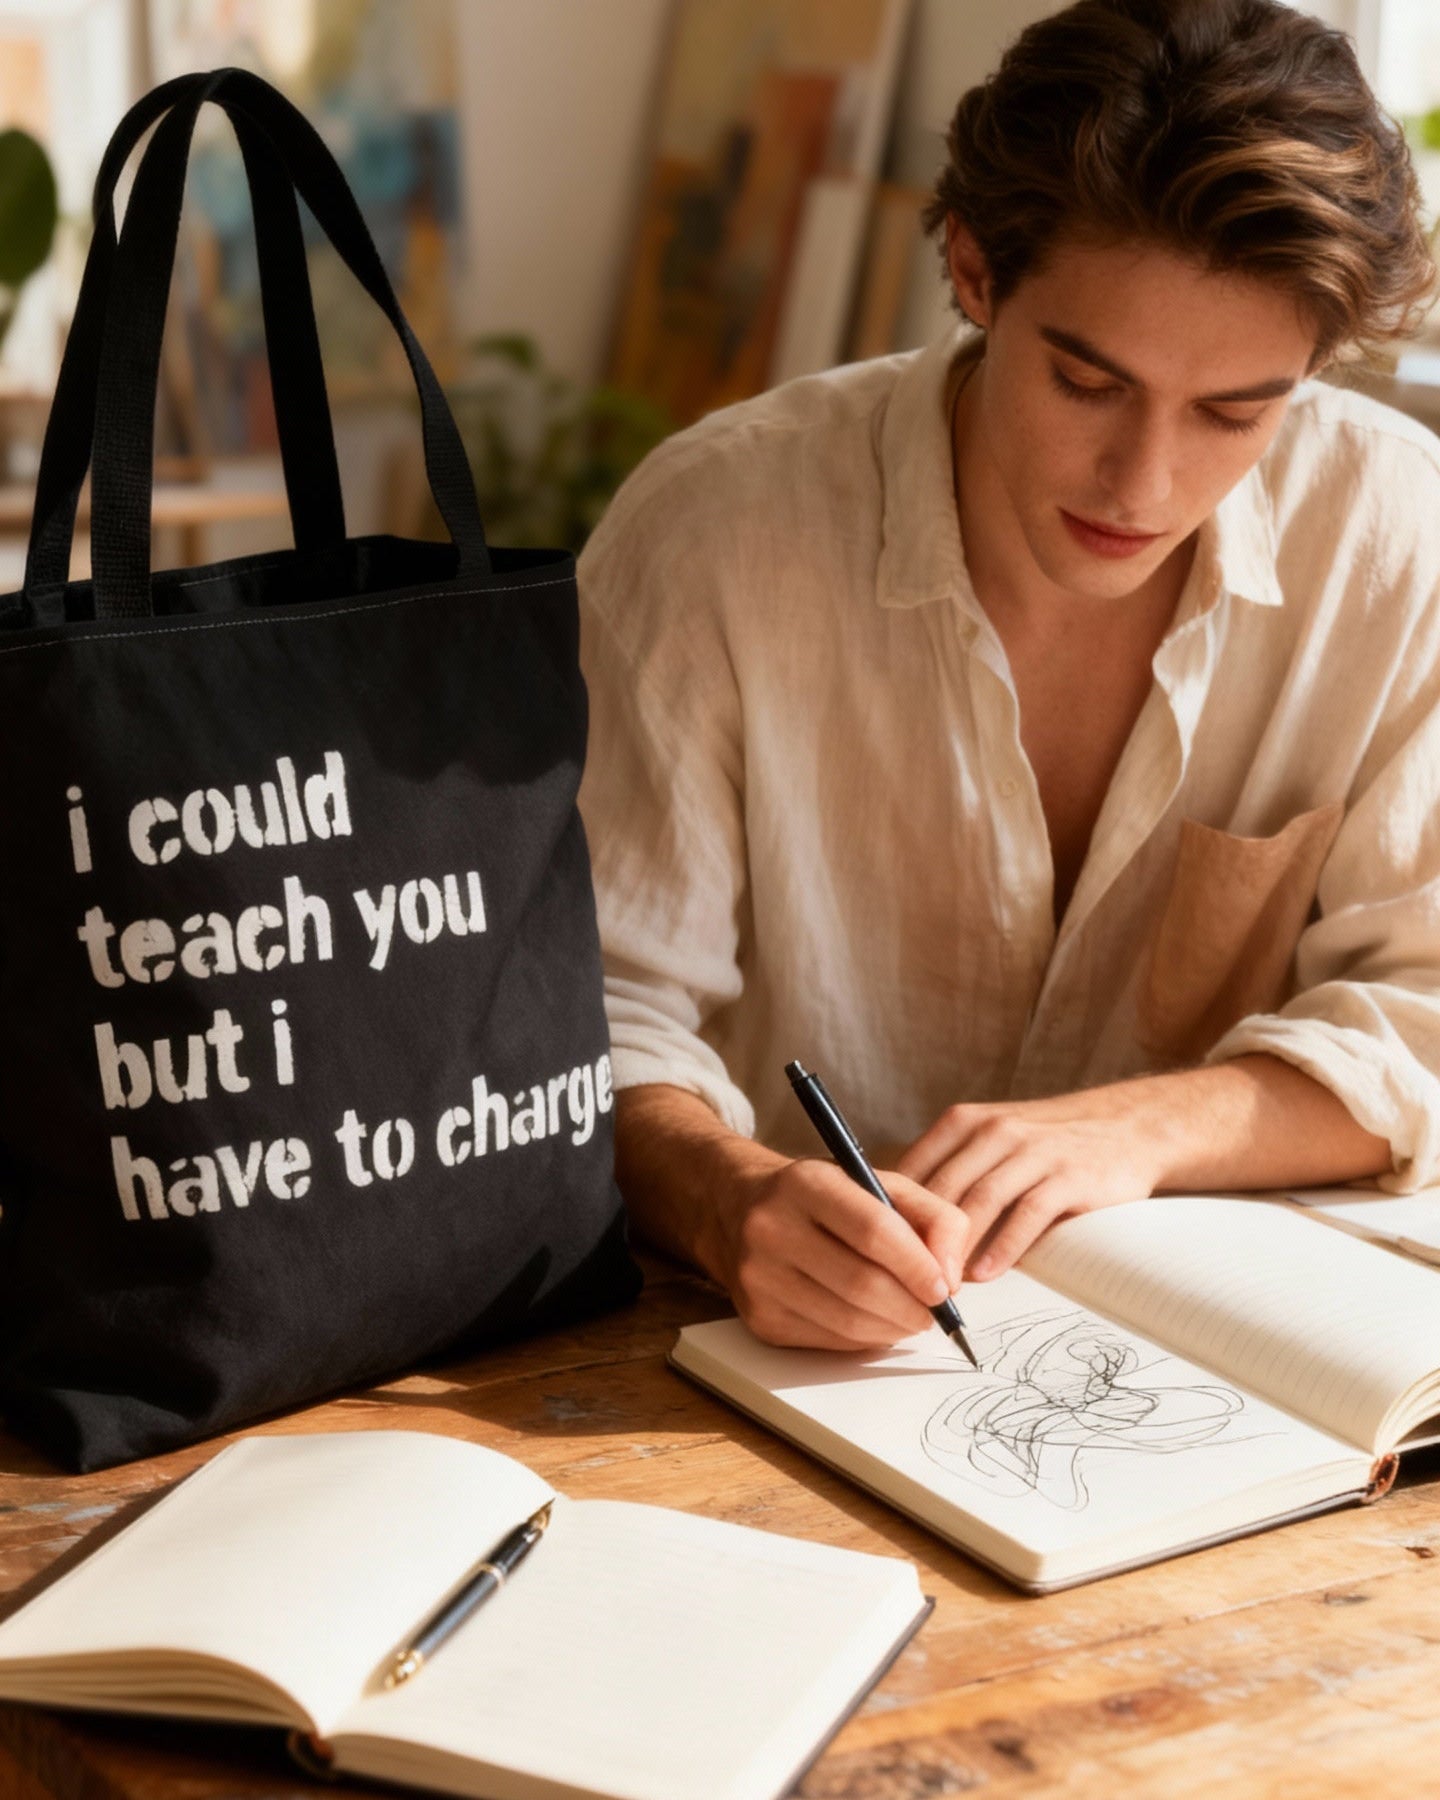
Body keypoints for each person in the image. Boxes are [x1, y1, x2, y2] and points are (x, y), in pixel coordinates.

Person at [575, 0, 1440, 1353]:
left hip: (1208, 1375)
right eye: (1088, 381)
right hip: (775, 1366)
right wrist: (726, 1199)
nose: (1144, 485)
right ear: (976, 274)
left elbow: (1427, 1013)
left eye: (1234, 412)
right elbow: (594, 1012)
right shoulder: (713, 533)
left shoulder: (1398, 543)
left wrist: (1146, 1125)